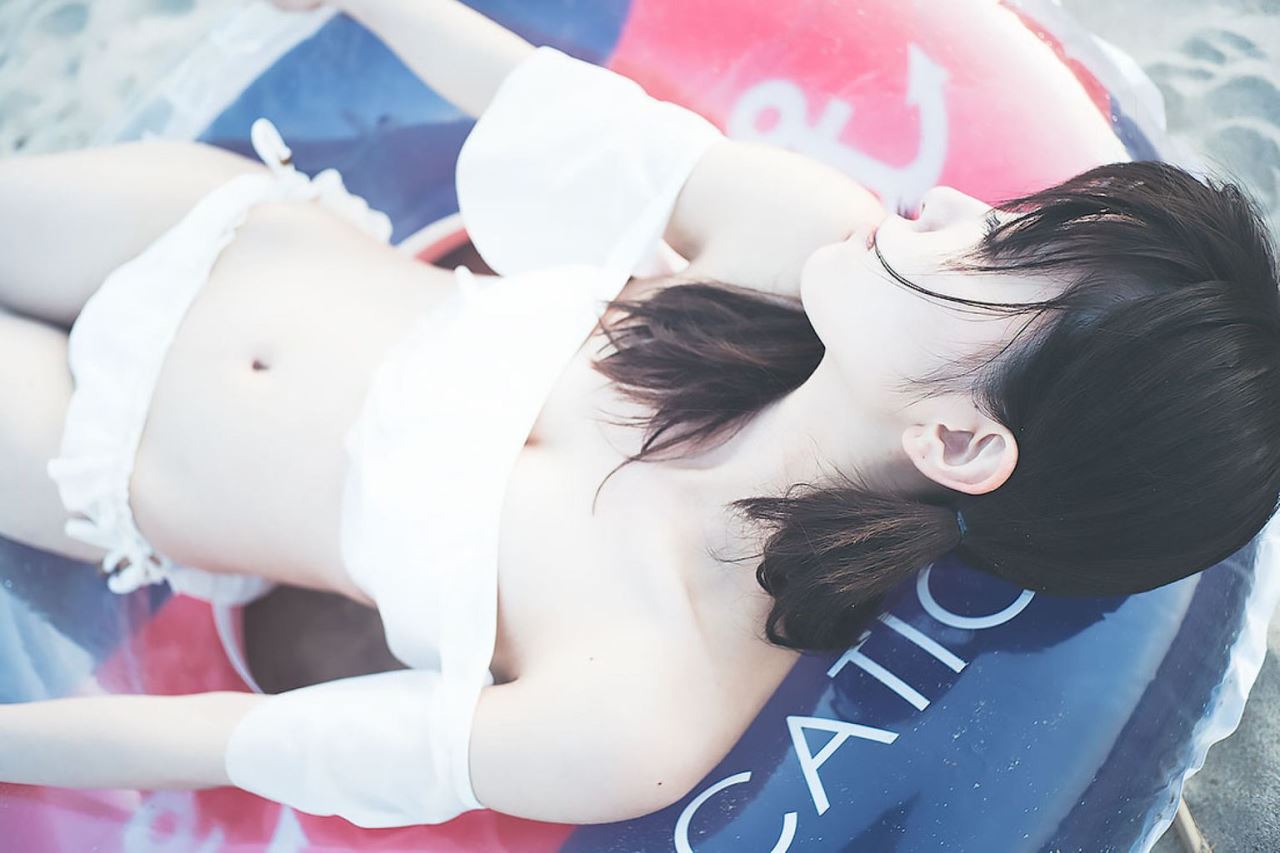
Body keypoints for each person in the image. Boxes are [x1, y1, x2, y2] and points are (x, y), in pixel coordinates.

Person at [1, 0, 1278, 829]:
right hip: (217, 226)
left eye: (992, 254)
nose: (949, 204)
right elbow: (539, 99)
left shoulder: (646, 703)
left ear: (957, 439)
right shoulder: (795, 236)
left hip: (104, 458)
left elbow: (247, 738)